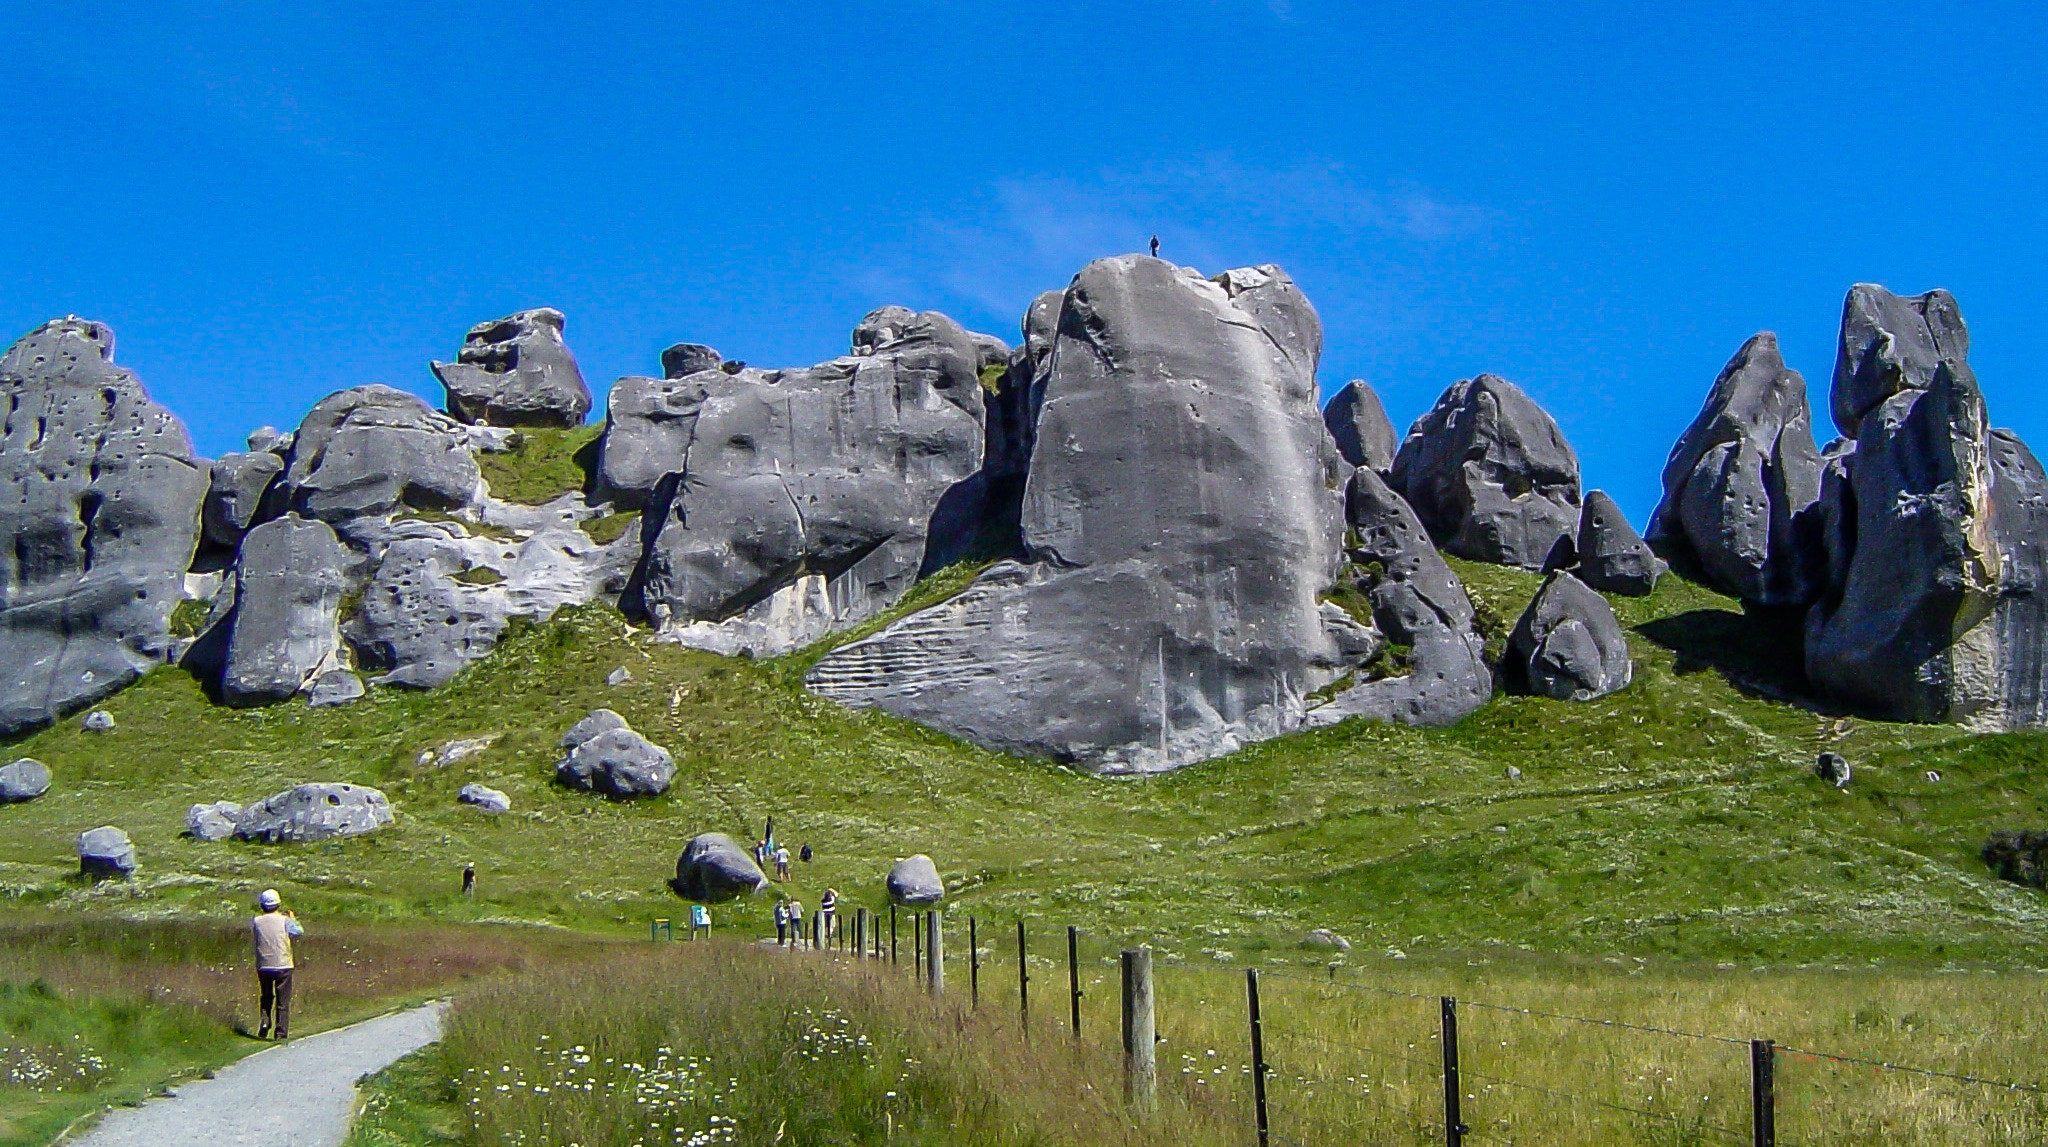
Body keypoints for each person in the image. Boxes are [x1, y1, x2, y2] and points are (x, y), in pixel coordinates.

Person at [251, 889, 302, 1041]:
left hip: (264, 964)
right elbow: (298, 932)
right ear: (278, 904)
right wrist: (292, 919)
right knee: (283, 1001)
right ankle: (280, 1033)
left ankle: (265, 1023)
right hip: (283, 964)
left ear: (262, 905)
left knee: (266, 996)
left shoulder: (256, 921)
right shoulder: (285, 921)